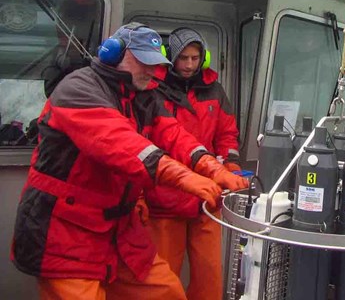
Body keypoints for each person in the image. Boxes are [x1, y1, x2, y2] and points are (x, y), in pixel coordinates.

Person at [11, 23, 248, 300]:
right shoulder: (78, 89)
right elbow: (123, 144)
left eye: (155, 63)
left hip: (118, 231)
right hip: (65, 232)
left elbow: (173, 134)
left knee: (167, 292)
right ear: (113, 55)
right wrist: (187, 179)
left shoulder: (142, 95)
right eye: (143, 62)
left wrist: (214, 169)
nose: (151, 70)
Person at [145, 27, 241, 300]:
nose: (189, 64)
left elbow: (227, 134)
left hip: (207, 200)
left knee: (210, 276)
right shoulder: (154, 91)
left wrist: (231, 165)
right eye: (183, 58)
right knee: (163, 279)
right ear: (170, 57)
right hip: (165, 199)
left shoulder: (216, 91)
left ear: (204, 59)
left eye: (195, 58)